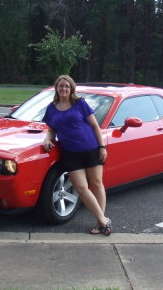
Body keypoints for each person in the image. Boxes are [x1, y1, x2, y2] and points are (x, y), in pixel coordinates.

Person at [42, 75, 112, 235]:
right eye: (61, 86)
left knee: (96, 184)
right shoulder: (52, 107)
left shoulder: (80, 104)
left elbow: (95, 125)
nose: (64, 89)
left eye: (67, 86)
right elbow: (52, 129)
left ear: (71, 88)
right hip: (69, 152)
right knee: (81, 187)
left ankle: (99, 222)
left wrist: (102, 147)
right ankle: (103, 220)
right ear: (56, 88)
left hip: (91, 148)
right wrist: (47, 139)